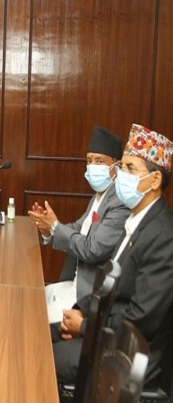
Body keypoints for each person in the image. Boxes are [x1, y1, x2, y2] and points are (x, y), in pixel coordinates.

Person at [52, 123, 173, 391]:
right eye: (122, 167)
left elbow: (141, 321)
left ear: (155, 181)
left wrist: (85, 326)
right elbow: (107, 285)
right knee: (39, 331)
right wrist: (81, 309)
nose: (121, 176)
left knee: (41, 355)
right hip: (102, 329)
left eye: (130, 169)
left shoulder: (164, 236)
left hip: (125, 355)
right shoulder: (135, 220)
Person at [28, 126, 130, 323]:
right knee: (30, 298)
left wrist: (55, 226)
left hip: (86, 297)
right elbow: (78, 228)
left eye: (99, 161)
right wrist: (48, 229)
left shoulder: (119, 203)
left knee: (34, 321)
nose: (92, 166)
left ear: (116, 166)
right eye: (89, 160)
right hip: (73, 285)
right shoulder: (100, 196)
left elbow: (93, 249)